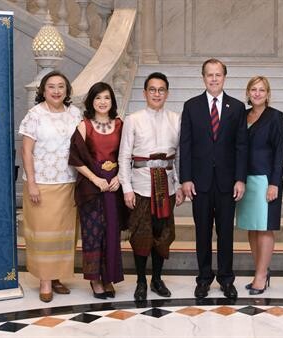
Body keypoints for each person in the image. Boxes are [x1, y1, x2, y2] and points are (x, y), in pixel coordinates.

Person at [180, 58, 247, 299]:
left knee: (226, 233)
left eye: (218, 75)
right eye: (210, 75)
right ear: (203, 78)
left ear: (224, 77)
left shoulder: (237, 108)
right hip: (200, 183)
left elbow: (241, 147)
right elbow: (185, 145)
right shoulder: (191, 106)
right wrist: (185, 178)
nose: (214, 79)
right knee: (203, 233)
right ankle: (204, 278)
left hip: (228, 183)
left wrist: (241, 179)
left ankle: (227, 279)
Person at [118, 72, 184, 301]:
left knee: (162, 234)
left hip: (167, 187)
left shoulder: (175, 119)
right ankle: (140, 281)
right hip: (141, 186)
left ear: (167, 93)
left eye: (161, 90)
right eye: (152, 90)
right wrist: (126, 187)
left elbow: (179, 157)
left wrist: (180, 183)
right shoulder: (133, 119)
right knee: (141, 235)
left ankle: (157, 278)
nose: (157, 94)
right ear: (145, 93)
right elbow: (124, 155)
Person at [19, 71, 82, 303]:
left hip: (68, 182)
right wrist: (32, 183)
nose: (56, 91)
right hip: (42, 184)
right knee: (43, 234)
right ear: (43, 91)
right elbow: (26, 151)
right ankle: (45, 280)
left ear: (67, 91)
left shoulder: (75, 114)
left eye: (61, 87)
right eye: (51, 87)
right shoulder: (34, 115)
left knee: (64, 235)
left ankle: (57, 277)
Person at [68, 82, 125, 300]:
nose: (103, 102)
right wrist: (96, 179)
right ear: (92, 101)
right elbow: (75, 158)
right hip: (91, 186)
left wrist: (119, 177)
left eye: (107, 98)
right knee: (93, 233)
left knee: (112, 231)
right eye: (98, 98)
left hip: (113, 185)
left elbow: (126, 154)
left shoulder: (120, 124)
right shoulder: (84, 126)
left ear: (112, 101)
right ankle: (95, 280)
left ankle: (109, 277)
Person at [235, 76, 283, 295]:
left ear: (268, 93)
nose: (257, 93)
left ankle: (261, 275)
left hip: (266, 180)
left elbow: (279, 152)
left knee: (264, 229)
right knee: (252, 229)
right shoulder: (242, 116)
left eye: (261, 89)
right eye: (253, 89)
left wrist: (274, 183)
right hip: (245, 181)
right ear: (248, 92)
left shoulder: (276, 117)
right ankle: (260, 270)